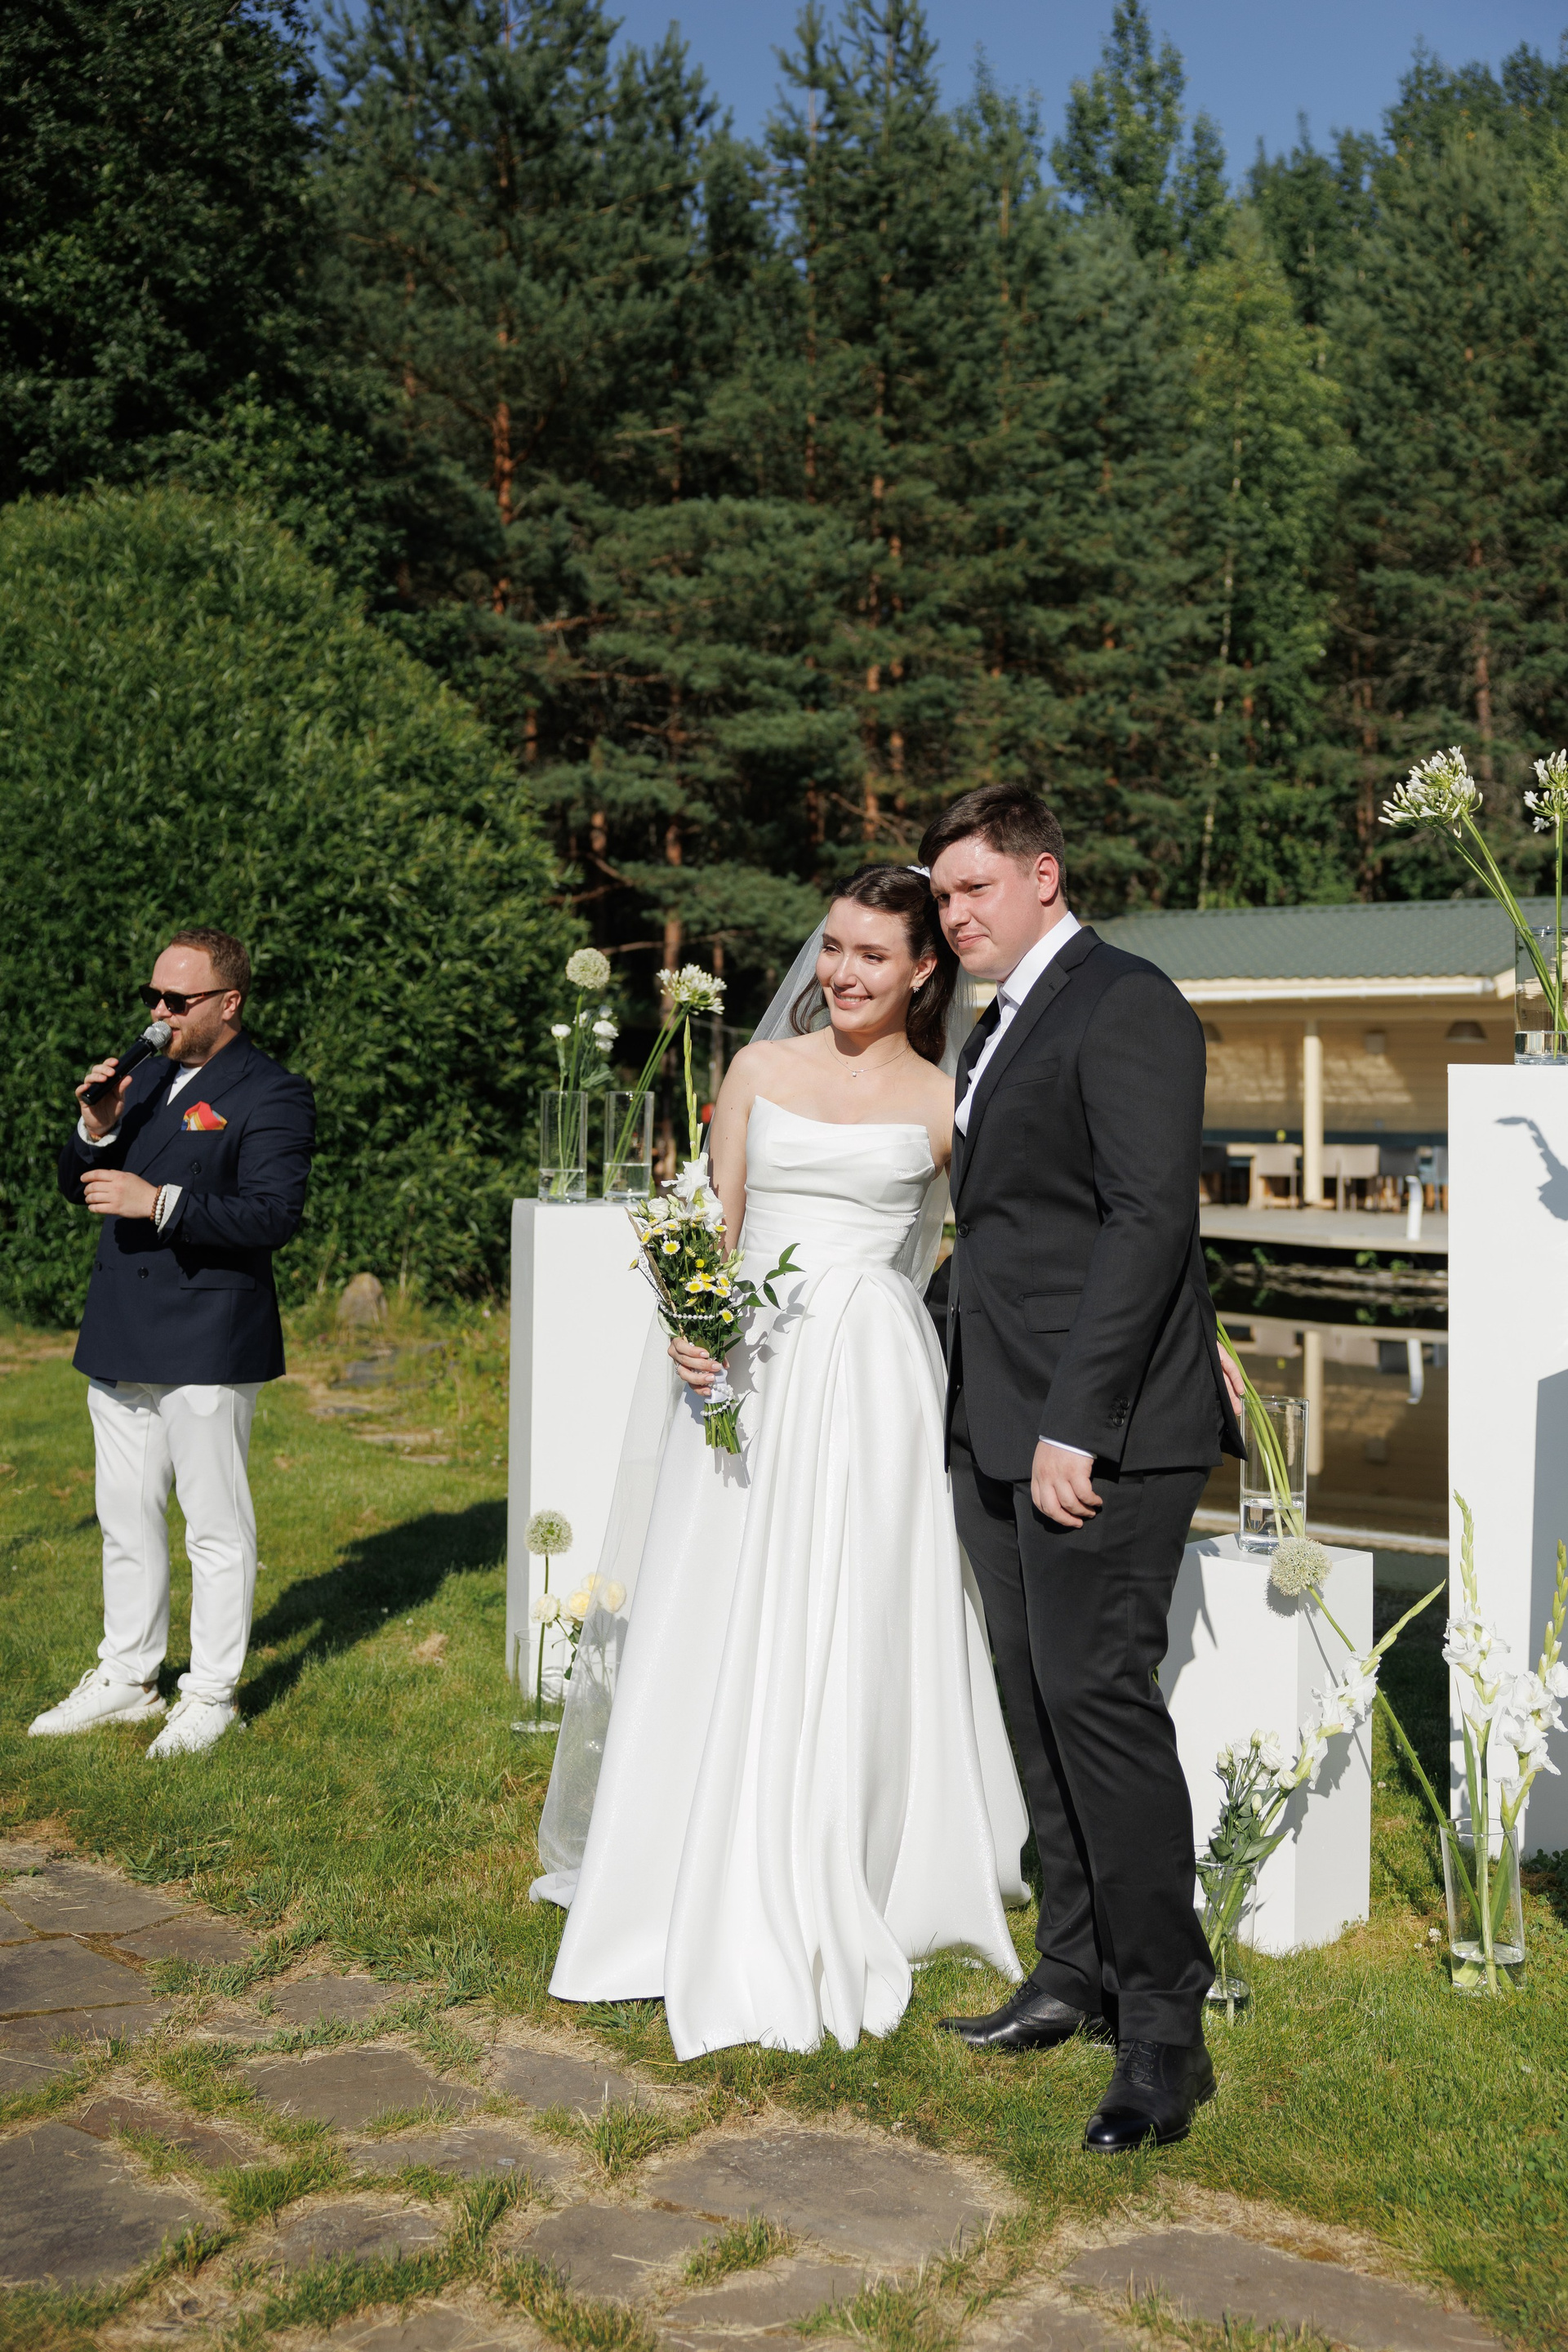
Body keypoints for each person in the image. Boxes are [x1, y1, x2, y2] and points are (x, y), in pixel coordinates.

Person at [537, 866, 1029, 2059]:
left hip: (873, 1378)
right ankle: (674, 1848)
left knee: (856, 1601)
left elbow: (991, 1248)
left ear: (925, 969)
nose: (844, 974)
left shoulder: (946, 1097)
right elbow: (712, 1228)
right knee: (714, 1593)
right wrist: (692, 1326)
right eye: (835, 948)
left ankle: (862, 1842)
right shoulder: (758, 1071)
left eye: (874, 955)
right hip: (747, 1370)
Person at [923, 783, 1244, 2154]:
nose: (955, 915)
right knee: (1038, 1703)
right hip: (995, 1417)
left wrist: (1080, 1421)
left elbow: (1146, 1220)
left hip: (1094, 1435)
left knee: (1100, 1705)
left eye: (974, 889)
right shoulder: (999, 1022)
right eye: (942, 897)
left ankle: (1165, 2028)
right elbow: (1013, 1228)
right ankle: (1072, 1970)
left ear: (1043, 875)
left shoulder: (1127, 1002)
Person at [30, 929, 315, 1759]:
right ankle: (128, 1676)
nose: (160, 1012)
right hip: (123, 1325)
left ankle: (213, 1694)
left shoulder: (274, 1091)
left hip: (208, 1333)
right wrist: (94, 1128)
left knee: (214, 1527)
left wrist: (159, 1202)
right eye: (153, 996)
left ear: (230, 1002)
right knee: (124, 1516)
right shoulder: (145, 1078)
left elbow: (273, 1215)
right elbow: (82, 1185)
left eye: (178, 1000)